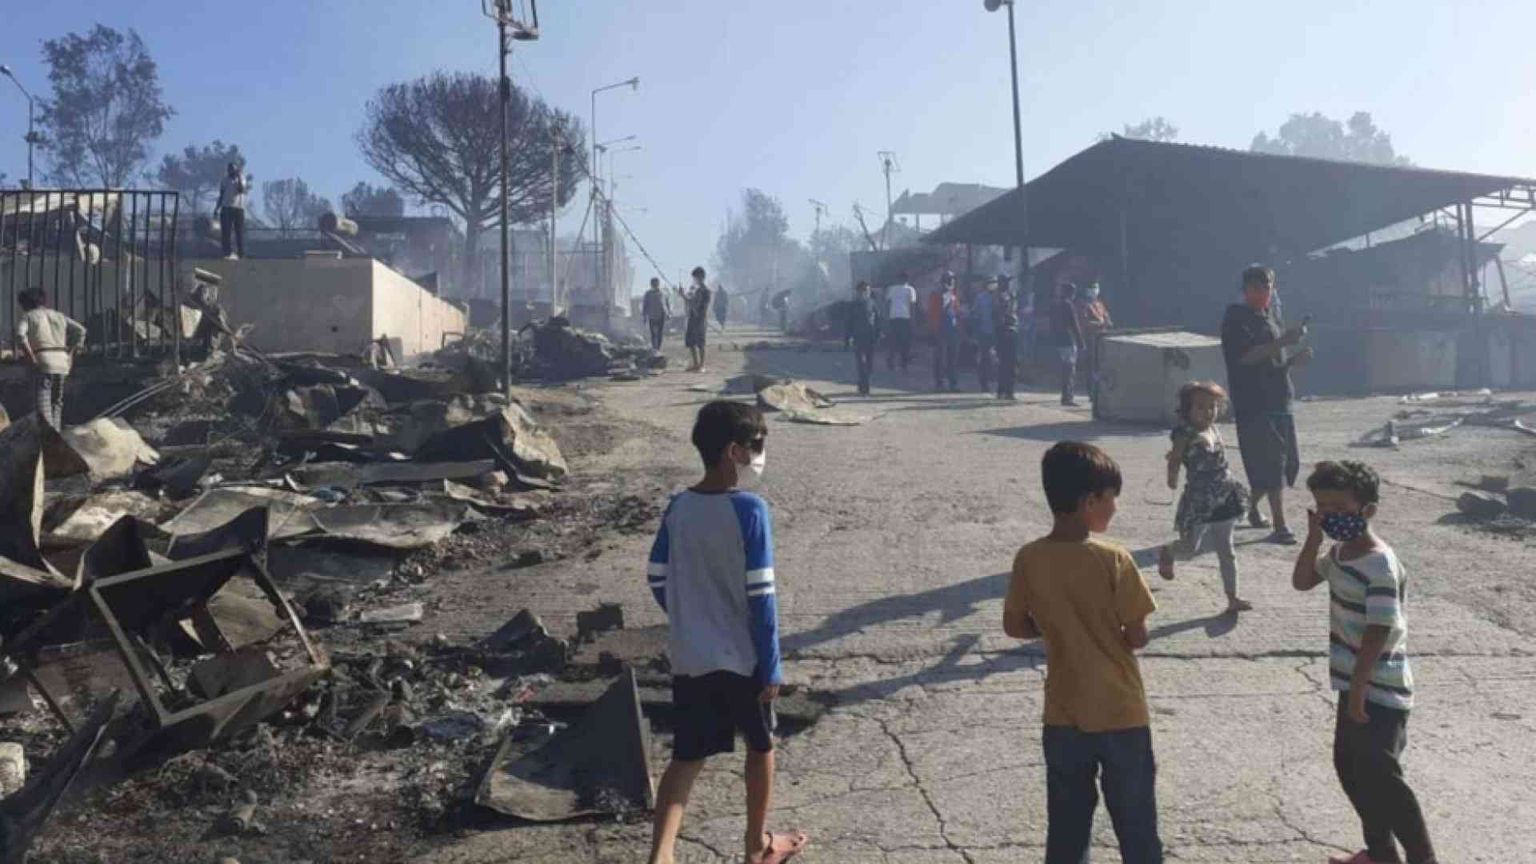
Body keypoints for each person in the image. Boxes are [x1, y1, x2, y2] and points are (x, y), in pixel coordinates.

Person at [645, 401, 809, 864]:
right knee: (761, 747)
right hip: (744, 659)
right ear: (734, 451)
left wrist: (690, 615)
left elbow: (657, 576)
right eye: (756, 446)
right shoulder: (750, 510)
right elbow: (762, 597)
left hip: (691, 656)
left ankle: (661, 855)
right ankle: (756, 845)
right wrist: (771, 663)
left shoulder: (678, 507)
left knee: (687, 757)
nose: (759, 455)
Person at [1003, 441, 1162, 864]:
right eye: (1112, 499)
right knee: (1136, 821)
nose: (1114, 508)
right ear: (1090, 500)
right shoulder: (1114, 559)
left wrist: (1057, 629)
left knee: (1068, 822)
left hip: (1063, 712)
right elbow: (1137, 636)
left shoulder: (1029, 558)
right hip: (1121, 711)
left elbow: (1014, 625)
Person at [1292, 461, 1437, 864]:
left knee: (1383, 777)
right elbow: (1302, 581)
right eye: (1322, 507)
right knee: (1351, 771)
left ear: (1367, 510)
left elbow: (1380, 630)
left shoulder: (1379, 562)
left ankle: (1423, 858)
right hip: (1353, 684)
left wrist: (1359, 689)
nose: (1329, 515)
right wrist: (1312, 538)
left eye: (1339, 507)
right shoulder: (1340, 553)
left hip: (1380, 688)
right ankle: (1380, 854)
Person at [1220, 264, 1312, 544]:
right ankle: (1280, 525)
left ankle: (1249, 506)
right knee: (1271, 461)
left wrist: (1293, 360)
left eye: (1268, 286)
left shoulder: (1270, 319)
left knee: (1285, 463)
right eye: (1257, 288)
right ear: (1246, 290)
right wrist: (1284, 340)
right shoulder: (1237, 319)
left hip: (1279, 397)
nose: (1264, 293)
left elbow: (1273, 362)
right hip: (1253, 401)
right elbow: (1246, 359)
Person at [1157, 382, 1252, 613]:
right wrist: (1172, 476)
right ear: (1187, 409)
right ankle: (1169, 551)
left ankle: (1232, 597)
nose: (1208, 412)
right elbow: (1176, 458)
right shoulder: (1184, 432)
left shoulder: (1214, 429)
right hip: (1199, 498)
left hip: (1225, 494)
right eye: (1201, 407)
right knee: (1190, 548)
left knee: (1226, 550)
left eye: (1213, 406)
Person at [15, 288, 86, 430]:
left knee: (42, 407)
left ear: (26, 304)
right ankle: (56, 435)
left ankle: (47, 440)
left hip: (43, 362)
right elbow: (81, 331)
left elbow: (20, 336)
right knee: (56, 404)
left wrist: (30, 357)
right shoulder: (59, 316)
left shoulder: (29, 316)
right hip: (62, 363)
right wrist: (71, 354)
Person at [1076, 282, 1114, 405]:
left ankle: (1101, 392)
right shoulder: (1083, 305)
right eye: (1091, 288)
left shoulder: (1099, 303)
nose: (1094, 291)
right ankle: (1092, 393)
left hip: (1102, 339)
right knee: (1092, 367)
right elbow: (1084, 323)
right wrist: (1100, 324)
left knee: (1101, 366)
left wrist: (1107, 322)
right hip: (1091, 340)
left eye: (1096, 288)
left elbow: (1107, 318)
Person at [1052, 283, 1086, 406]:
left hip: (1059, 340)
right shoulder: (1068, 305)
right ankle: (1067, 397)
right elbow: (1074, 324)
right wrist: (1081, 341)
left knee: (1065, 369)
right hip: (1068, 340)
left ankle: (1065, 396)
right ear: (1070, 293)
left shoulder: (1056, 305)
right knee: (1070, 369)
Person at [844, 281, 881, 396]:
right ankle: (865, 388)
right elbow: (848, 323)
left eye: (867, 290)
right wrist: (847, 339)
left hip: (870, 337)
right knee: (861, 363)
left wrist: (879, 333)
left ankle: (862, 382)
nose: (865, 293)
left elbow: (878, 319)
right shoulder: (852, 305)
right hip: (858, 337)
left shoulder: (872, 303)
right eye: (863, 291)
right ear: (858, 292)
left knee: (869, 365)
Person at [932, 273, 961, 392]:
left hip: (953, 330)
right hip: (941, 330)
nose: (951, 283)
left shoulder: (954, 296)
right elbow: (933, 314)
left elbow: (957, 312)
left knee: (953, 358)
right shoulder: (937, 295)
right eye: (949, 281)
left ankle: (953, 383)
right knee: (940, 358)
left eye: (953, 280)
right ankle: (939, 383)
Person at [884, 271, 918, 372]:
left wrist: (886, 317)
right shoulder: (910, 289)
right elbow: (912, 306)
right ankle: (903, 363)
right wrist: (913, 319)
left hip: (894, 317)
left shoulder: (891, 289)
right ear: (907, 279)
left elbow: (888, 304)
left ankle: (891, 361)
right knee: (905, 342)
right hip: (905, 318)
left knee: (893, 341)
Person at [682, 266, 713, 372]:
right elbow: (690, 302)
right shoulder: (695, 290)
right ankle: (696, 364)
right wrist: (682, 295)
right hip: (692, 318)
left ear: (702, 277)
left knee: (701, 342)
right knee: (691, 342)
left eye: (697, 277)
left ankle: (702, 365)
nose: (695, 280)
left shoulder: (706, 291)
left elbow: (703, 306)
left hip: (700, 319)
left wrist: (695, 309)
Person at [215, 162, 248, 260]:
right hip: (226, 207)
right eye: (229, 169)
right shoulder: (225, 180)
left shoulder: (241, 178)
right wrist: (217, 208)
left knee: (239, 232)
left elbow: (241, 190)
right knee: (226, 232)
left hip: (239, 208)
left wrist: (238, 177)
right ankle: (227, 253)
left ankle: (241, 253)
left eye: (233, 169)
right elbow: (221, 194)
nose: (231, 171)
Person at [995, 274, 1019, 400]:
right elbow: (1000, 314)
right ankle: (1002, 390)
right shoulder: (998, 296)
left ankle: (1009, 390)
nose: (1007, 284)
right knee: (1004, 363)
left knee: (1012, 363)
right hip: (1002, 331)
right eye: (1004, 282)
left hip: (1013, 329)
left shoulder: (1011, 295)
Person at [970, 278, 997, 392]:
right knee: (984, 357)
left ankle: (993, 378)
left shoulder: (998, 297)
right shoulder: (980, 297)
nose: (993, 286)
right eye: (991, 283)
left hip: (997, 332)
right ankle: (984, 382)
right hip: (984, 331)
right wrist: (975, 333)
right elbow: (975, 315)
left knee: (995, 357)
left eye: (994, 283)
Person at [642, 278, 670, 352]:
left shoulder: (663, 293)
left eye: (656, 283)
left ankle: (658, 348)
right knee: (653, 334)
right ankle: (654, 347)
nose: (655, 284)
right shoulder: (648, 294)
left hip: (661, 315)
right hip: (652, 315)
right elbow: (645, 305)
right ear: (651, 284)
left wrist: (668, 313)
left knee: (660, 333)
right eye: (653, 283)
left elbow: (666, 304)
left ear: (658, 284)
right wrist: (644, 316)